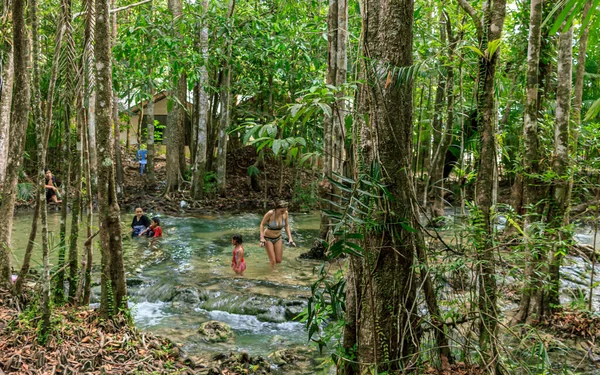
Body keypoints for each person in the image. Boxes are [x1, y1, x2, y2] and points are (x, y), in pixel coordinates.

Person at [259, 200, 295, 267]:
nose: (283, 212)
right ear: (277, 209)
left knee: (279, 260)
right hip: (268, 238)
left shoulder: (285, 213)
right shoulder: (270, 213)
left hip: (278, 238)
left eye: (284, 210)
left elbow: (286, 226)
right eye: (281, 211)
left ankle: (270, 268)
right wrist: (262, 238)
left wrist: (290, 238)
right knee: (273, 261)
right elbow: (262, 224)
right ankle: (274, 275)